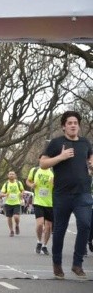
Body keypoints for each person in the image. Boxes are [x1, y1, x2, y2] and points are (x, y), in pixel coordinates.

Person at [40, 110, 93, 279]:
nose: (73, 125)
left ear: (78, 126)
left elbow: (91, 159)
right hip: (62, 195)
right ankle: (57, 264)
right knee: (60, 230)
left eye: (75, 123)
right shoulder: (56, 143)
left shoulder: (85, 143)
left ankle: (77, 264)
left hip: (83, 193)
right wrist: (61, 157)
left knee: (85, 224)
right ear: (64, 126)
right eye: (69, 123)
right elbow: (43, 164)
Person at [26, 158, 54, 255]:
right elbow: (28, 181)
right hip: (38, 201)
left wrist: (54, 183)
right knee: (39, 224)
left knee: (49, 227)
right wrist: (31, 185)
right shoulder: (34, 170)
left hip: (51, 203)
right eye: (43, 159)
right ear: (40, 160)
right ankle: (39, 241)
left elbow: (61, 185)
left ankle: (44, 245)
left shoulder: (53, 171)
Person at [0, 171, 24, 237]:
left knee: (16, 217)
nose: (11, 175)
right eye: (10, 174)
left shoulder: (19, 183)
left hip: (17, 202)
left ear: (15, 175)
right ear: (8, 176)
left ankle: (17, 225)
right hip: (8, 203)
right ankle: (11, 231)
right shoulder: (6, 184)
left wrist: (22, 194)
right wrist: (5, 194)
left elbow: (22, 190)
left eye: (12, 174)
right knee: (9, 218)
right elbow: (1, 194)